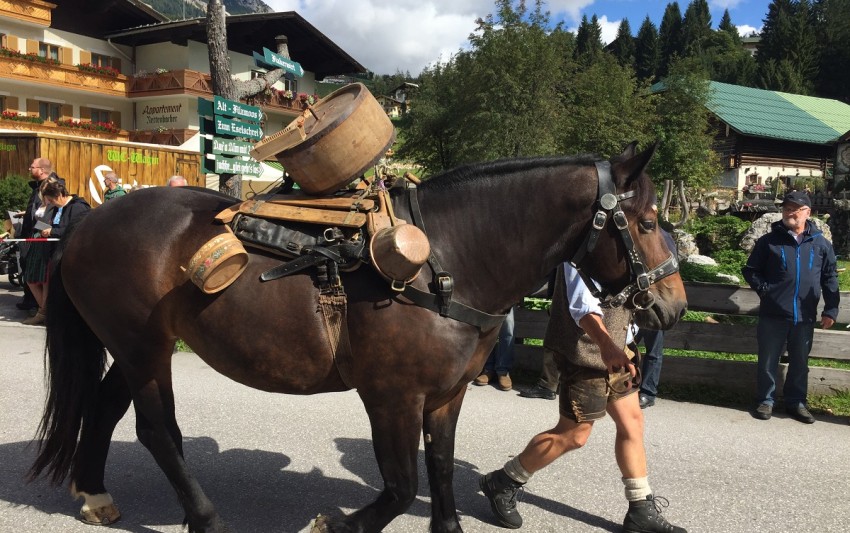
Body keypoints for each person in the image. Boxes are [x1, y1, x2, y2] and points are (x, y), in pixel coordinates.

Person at [479, 263, 686, 533]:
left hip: (621, 350)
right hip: (586, 354)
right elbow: (583, 309)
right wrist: (609, 347)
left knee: (632, 424)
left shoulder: (620, 254)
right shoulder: (576, 259)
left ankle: (640, 509)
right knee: (574, 435)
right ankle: (503, 481)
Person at [742, 190, 839, 424]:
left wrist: (831, 310)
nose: (789, 212)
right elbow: (751, 270)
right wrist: (766, 291)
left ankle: (797, 402)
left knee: (800, 362)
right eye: (786, 208)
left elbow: (830, 278)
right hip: (773, 314)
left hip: (804, 315)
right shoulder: (769, 241)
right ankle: (766, 400)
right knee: (767, 360)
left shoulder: (821, 244)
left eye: (795, 209)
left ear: (808, 212)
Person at [20, 159, 64, 324]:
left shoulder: (50, 188)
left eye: (32, 166)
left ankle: (44, 312)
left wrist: (40, 226)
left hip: (43, 240)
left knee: (41, 278)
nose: (29, 168)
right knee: (36, 278)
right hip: (37, 239)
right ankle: (44, 311)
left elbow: (53, 219)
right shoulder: (41, 190)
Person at [474, 307, 515, 391]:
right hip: (489, 295)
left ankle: (503, 371)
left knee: (508, 326)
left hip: (509, 295)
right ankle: (488, 369)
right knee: (488, 325)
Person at [635, 329, 664, 409]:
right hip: (631, 317)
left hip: (655, 318)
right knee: (625, 347)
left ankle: (648, 393)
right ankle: (621, 388)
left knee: (653, 353)